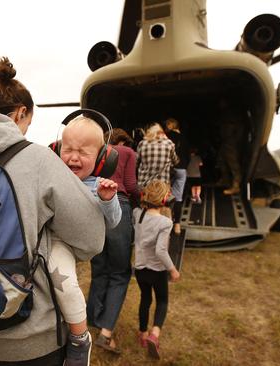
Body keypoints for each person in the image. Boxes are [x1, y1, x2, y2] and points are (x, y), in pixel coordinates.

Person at [0, 57, 105, 365]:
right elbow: (91, 239)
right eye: (28, 123)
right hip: (29, 338)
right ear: (21, 113)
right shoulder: (37, 159)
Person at [50, 116, 121, 366]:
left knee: (65, 285)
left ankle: (80, 338)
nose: (73, 157)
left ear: (103, 158)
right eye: (67, 149)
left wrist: (107, 199)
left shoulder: (98, 186)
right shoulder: (52, 177)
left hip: (63, 246)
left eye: (83, 152)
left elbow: (113, 221)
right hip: (42, 241)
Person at [87, 128, 139, 354]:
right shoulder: (127, 152)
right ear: (124, 140)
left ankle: (92, 320)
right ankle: (106, 334)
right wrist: (141, 199)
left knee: (99, 268)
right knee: (119, 272)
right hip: (118, 205)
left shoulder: (98, 150)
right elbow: (130, 183)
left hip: (96, 205)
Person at [133, 180, 181, 360]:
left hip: (140, 268)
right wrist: (173, 269)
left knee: (145, 299)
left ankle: (143, 334)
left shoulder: (137, 213)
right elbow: (160, 250)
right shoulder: (165, 222)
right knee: (162, 301)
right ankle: (154, 334)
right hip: (157, 270)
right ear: (164, 199)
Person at [164, 118, 190, 234]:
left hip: (168, 170)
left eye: (167, 124)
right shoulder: (184, 138)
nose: (166, 125)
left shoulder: (166, 136)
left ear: (171, 125)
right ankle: (177, 225)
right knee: (178, 197)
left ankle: (166, 223)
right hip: (181, 169)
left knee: (165, 196)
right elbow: (188, 155)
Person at [136, 123, 178, 189]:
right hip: (162, 187)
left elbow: (136, 162)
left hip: (144, 185)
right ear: (161, 132)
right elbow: (175, 161)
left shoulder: (142, 143)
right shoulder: (168, 143)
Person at [216, 99, 245, 195]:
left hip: (231, 142)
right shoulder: (224, 114)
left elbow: (240, 128)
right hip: (225, 141)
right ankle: (225, 180)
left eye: (222, 101)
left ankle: (236, 186)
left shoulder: (233, 114)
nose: (220, 103)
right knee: (221, 160)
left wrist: (235, 141)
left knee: (233, 164)